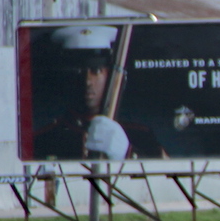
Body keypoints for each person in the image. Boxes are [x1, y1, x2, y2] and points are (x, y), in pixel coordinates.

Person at [29, 25, 165, 161]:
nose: (87, 81)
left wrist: (128, 153)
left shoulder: (140, 136)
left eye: (96, 71)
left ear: (109, 76)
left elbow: (166, 177)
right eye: (78, 72)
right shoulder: (44, 140)